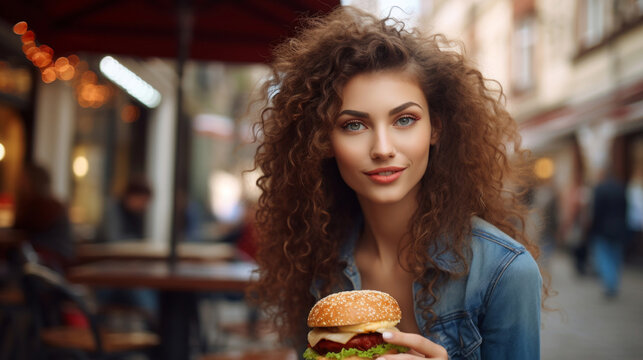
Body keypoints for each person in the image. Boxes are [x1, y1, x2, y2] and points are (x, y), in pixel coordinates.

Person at [248, 7, 544, 360]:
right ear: (323, 140)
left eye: (405, 120)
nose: (383, 149)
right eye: (354, 125)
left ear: (436, 128)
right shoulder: (315, 258)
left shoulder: (505, 272)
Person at [13, 164, 74, 272]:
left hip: (53, 260)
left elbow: (22, 227)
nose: (20, 184)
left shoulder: (46, 206)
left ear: (33, 182)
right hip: (52, 258)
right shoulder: (49, 204)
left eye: (24, 180)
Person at [589, 169, 630, 298]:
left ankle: (610, 284)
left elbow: (596, 211)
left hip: (603, 229)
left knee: (604, 257)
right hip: (619, 228)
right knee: (615, 256)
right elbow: (626, 209)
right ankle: (614, 283)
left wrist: (592, 228)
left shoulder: (599, 189)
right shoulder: (621, 188)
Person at [97, 177, 152, 243]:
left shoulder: (136, 214)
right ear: (131, 196)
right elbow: (114, 239)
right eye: (142, 201)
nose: (144, 206)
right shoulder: (114, 209)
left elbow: (141, 237)